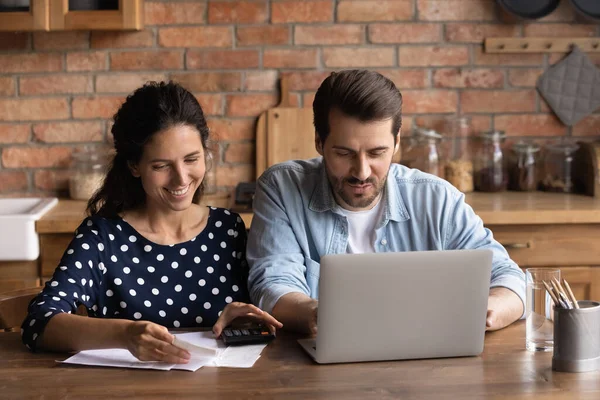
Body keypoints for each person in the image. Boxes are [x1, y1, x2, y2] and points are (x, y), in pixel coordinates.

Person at [246, 69, 525, 335]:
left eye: (377, 153)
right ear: (319, 142)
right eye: (344, 153)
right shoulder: (281, 187)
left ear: (397, 142)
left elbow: (509, 277)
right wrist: (319, 314)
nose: (362, 172)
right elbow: (272, 285)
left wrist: (488, 309)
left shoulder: (437, 199)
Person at [22, 81, 281, 364]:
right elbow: (40, 323)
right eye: (161, 166)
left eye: (191, 159)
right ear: (134, 166)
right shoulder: (102, 237)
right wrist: (125, 335)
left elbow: (267, 314)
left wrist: (248, 322)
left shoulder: (228, 229)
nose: (181, 178)